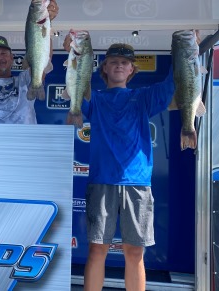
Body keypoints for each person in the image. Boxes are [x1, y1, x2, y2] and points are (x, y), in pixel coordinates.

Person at [63, 36, 175, 291]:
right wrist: (71, 48)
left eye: (125, 62)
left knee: (135, 252)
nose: (119, 66)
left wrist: (183, 49)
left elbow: (173, 83)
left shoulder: (144, 97)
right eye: (113, 61)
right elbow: (75, 84)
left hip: (137, 184)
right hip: (102, 181)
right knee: (97, 249)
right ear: (103, 67)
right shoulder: (96, 99)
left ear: (132, 69)